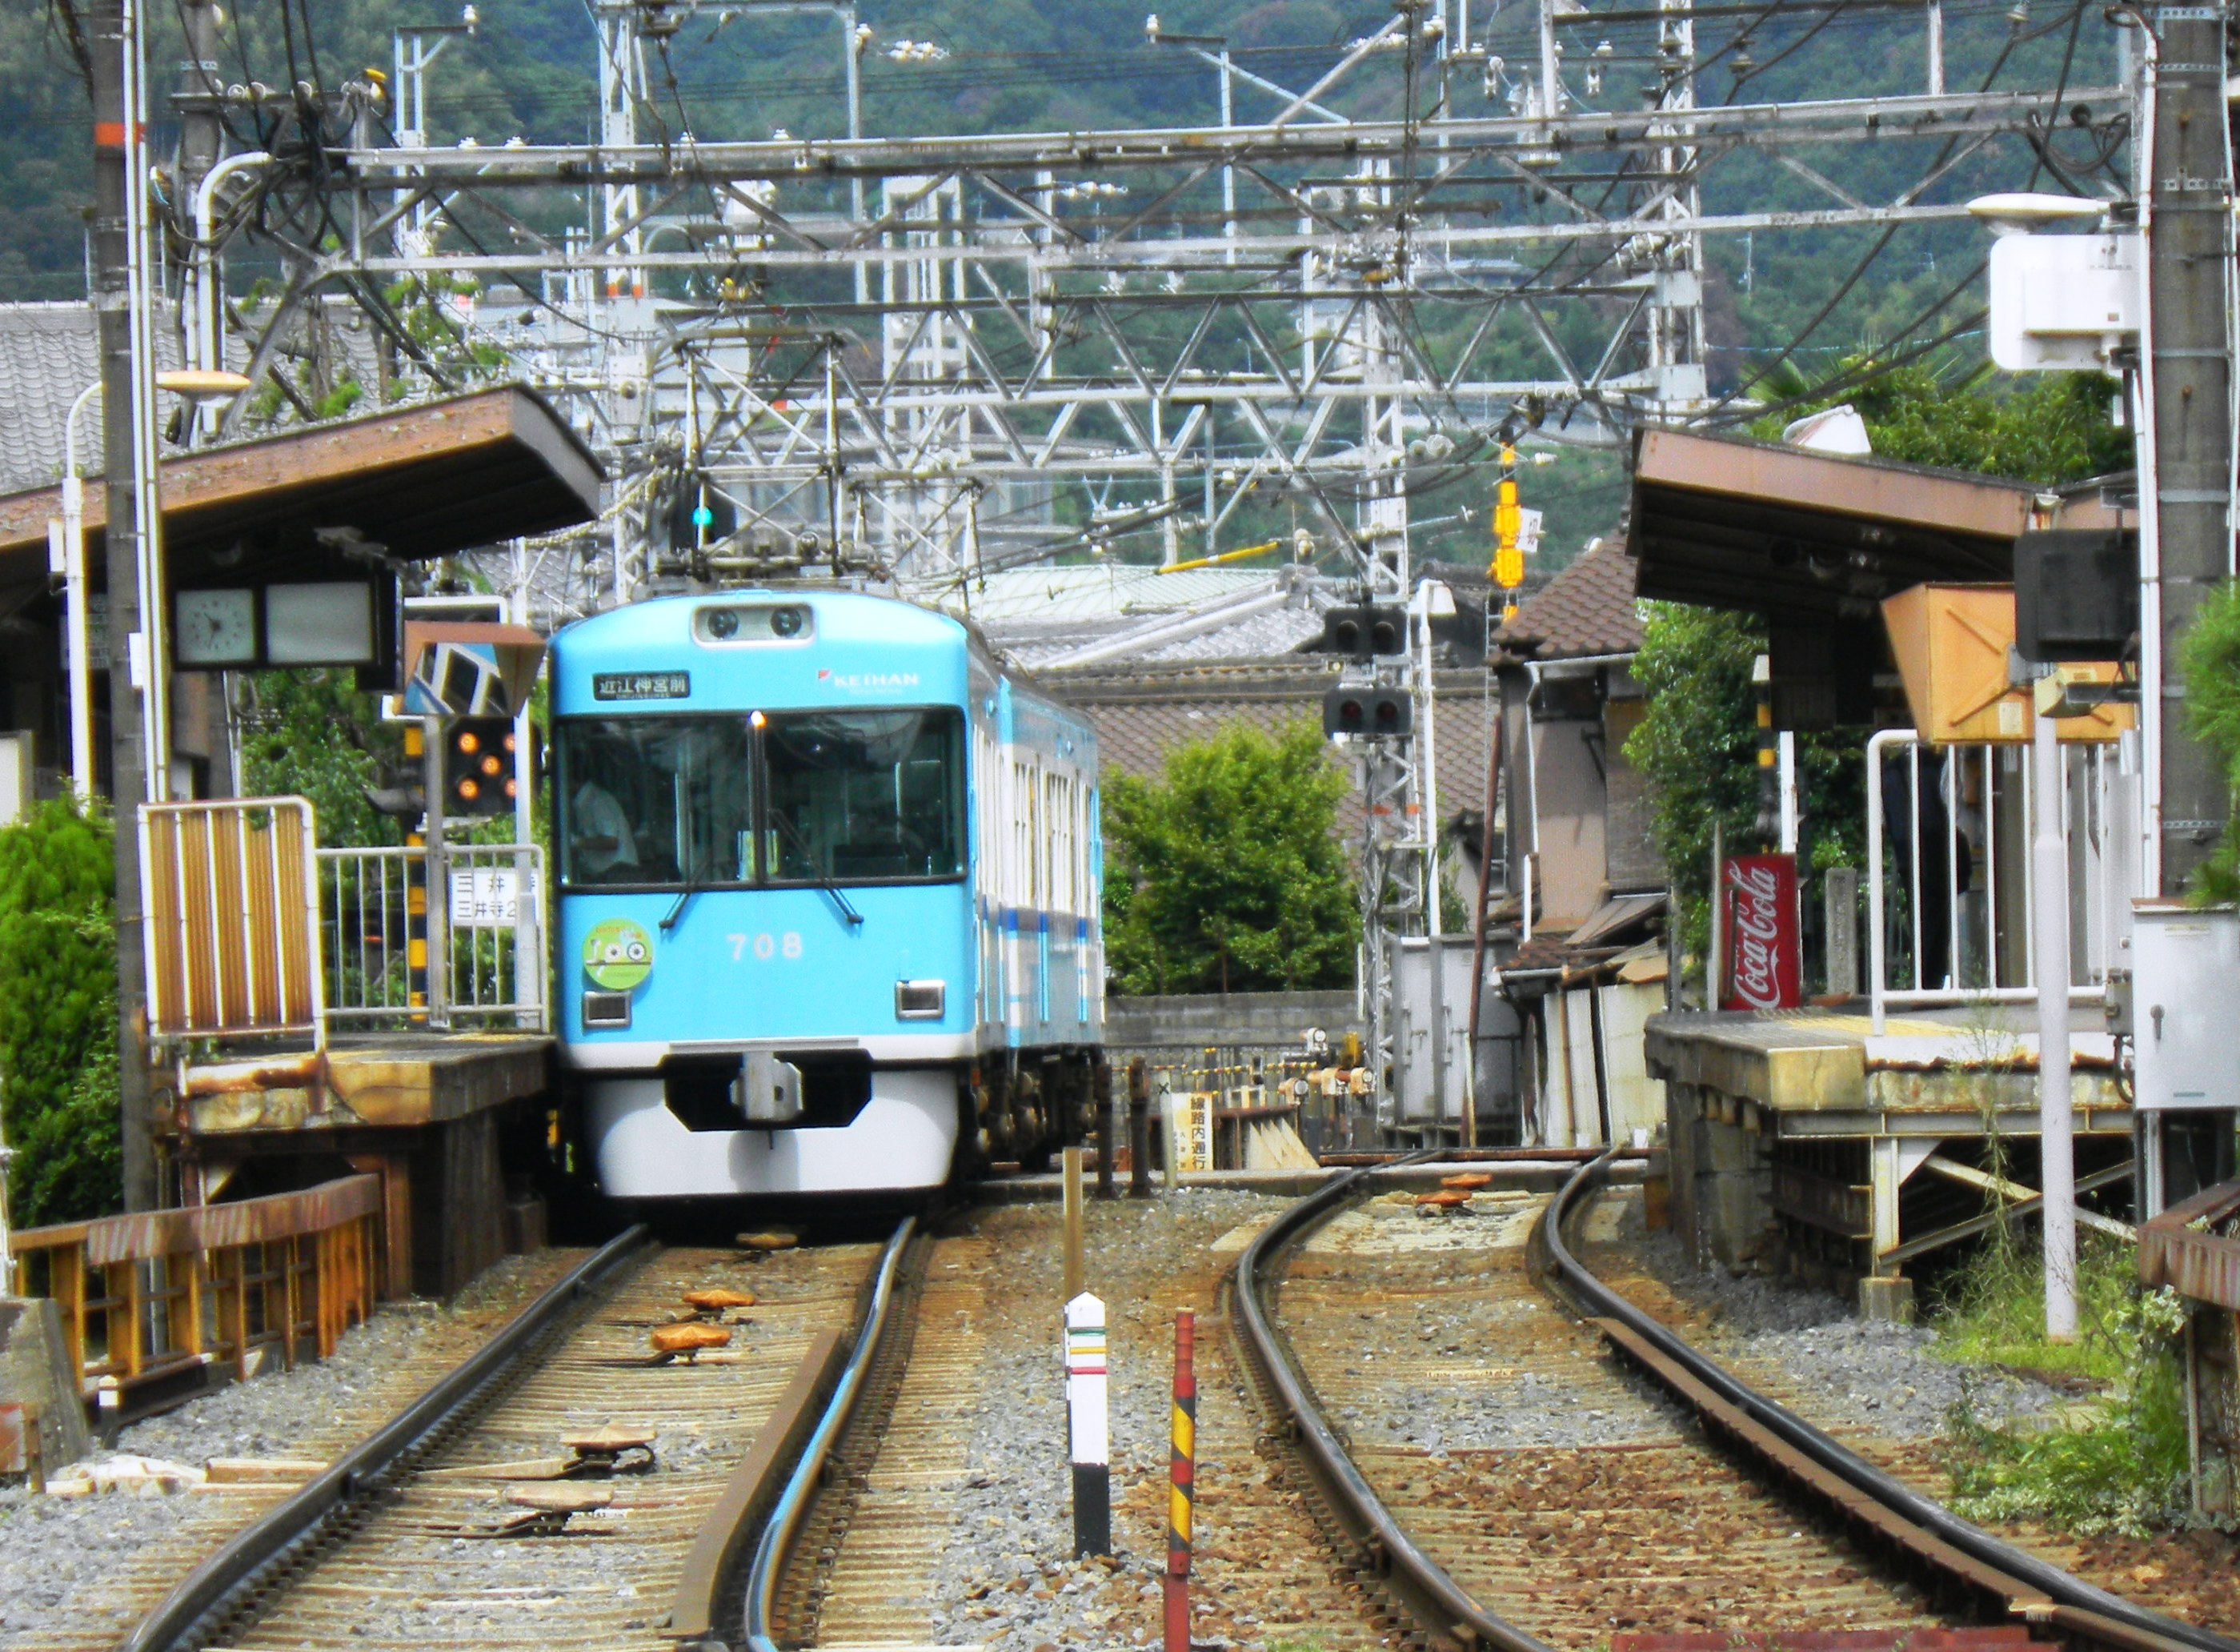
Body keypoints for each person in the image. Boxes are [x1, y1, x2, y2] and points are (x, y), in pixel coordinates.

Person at [571, 778, 639, 880]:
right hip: (603, 876)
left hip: (620, 875)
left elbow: (611, 842)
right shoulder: (580, 803)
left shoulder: (598, 800)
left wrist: (576, 842)